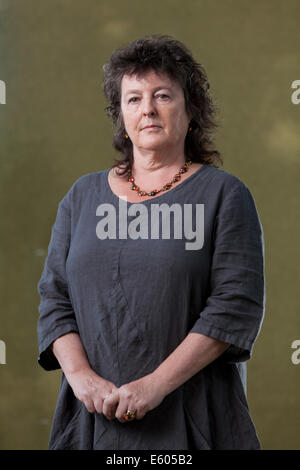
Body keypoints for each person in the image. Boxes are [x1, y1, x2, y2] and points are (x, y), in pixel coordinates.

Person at [37, 34, 266, 450]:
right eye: (133, 98)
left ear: (191, 110)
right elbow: (55, 301)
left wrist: (155, 386)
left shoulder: (224, 195)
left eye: (162, 95)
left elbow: (235, 306)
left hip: (193, 419)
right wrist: (83, 380)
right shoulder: (81, 197)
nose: (147, 109)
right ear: (121, 115)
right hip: (91, 421)